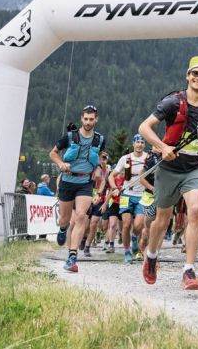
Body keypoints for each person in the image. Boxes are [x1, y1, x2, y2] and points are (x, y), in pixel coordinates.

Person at [138, 56, 198, 290]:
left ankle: (189, 269)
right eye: (195, 74)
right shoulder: (172, 102)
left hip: (194, 168)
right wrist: (162, 147)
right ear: (188, 76)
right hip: (168, 168)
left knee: (196, 210)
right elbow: (144, 127)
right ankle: (152, 255)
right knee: (162, 219)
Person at [49, 106, 106, 273]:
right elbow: (53, 153)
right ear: (82, 119)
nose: (88, 122)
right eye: (86, 119)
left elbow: (101, 155)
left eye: (91, 119)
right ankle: (62, 228)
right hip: (67, 180)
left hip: (85, 182)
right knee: (65, 219)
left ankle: (72, 256)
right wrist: (61, 164)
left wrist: (98, 168)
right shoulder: (70, 136)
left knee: (81, 216)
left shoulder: (99, 139)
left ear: (96, 120)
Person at [109, 135, 153, 263]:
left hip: (142, 196)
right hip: (126, 194)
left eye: (142, 142)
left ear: (144, 145)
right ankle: (127, 251)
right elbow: (112, 176)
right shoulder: (125, 158)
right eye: (137, 142)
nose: (139, 145)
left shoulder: (148, 158)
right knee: (126, 224)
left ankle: (134, 237)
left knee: (139, 225)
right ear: (133, 144)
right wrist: (114, 188)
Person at [83, 150, 110, 256]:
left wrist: (105, 203)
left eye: (105, 158)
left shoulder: (108, 171)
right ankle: (84, 237)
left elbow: (111, 188)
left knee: (94, 223)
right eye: (101, 157)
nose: (103, 160)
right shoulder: (92, 167)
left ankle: (87, 247)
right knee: (85, 225)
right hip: (87, 196)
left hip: (100, 199)